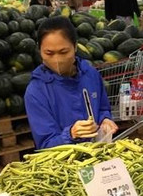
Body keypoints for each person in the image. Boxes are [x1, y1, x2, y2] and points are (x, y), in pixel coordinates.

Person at [24, 16, 117, 149]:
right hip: (63, 165)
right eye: (49, 53)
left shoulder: (90, 74)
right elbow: (45, 144)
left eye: (63, 52)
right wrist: (70, 134)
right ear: (40, 51)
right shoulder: (36, 91)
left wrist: (105, 120)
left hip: (97, 155)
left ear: (75, 46)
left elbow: (102, 108)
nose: (57, 59)